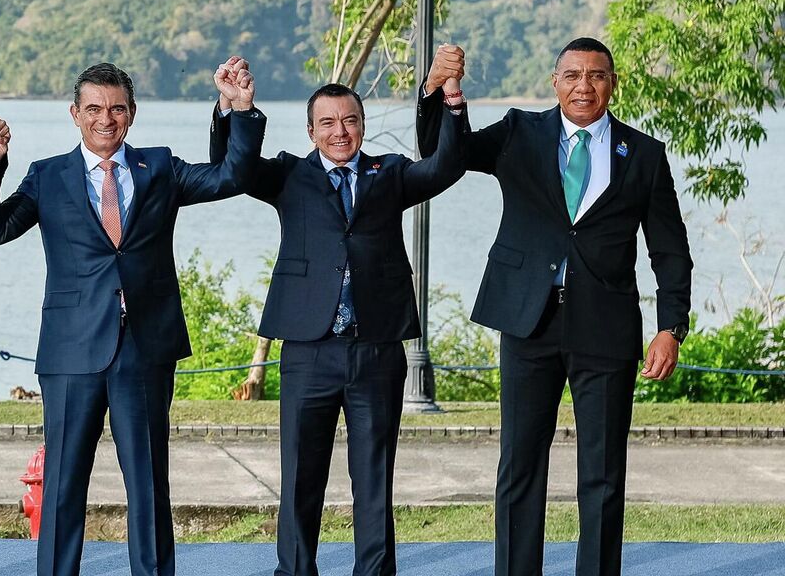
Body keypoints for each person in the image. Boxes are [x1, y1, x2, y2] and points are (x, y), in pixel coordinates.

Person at [0, 59, 265, 576]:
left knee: (148, 485)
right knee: (62, 485)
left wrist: (235, 109)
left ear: (132, 112)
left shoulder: (161, 167)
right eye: (93, 109)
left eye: (117, 108)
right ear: (75, 114)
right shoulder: (47, 175)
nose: (105, 119)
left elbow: (232, 176)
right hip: (70, 352)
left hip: (145, 349)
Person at [415, 38, 692, 576]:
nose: (583, 86)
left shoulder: (645, 154)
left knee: (604, 474)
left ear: (612, 84)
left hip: (606, 328)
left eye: (596, 76)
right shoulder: (519, 131)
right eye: (572, 76)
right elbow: (445, 156)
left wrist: (670, 327)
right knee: (519, 465)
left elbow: (670, 249)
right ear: (554, 81)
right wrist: (438, 93)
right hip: (528, 321)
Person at [211, 57, 466, 576]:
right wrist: (236, 109)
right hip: (308, 349)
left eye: (350, 120)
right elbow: (232, 169)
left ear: (362, 125)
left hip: (377, 349)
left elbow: (445, 166)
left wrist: (451, 101)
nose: (340, 131)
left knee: (373, 479)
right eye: (327, 123)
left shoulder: (390, 172)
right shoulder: (288, 174)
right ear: (311, 131)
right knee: (301, 478)